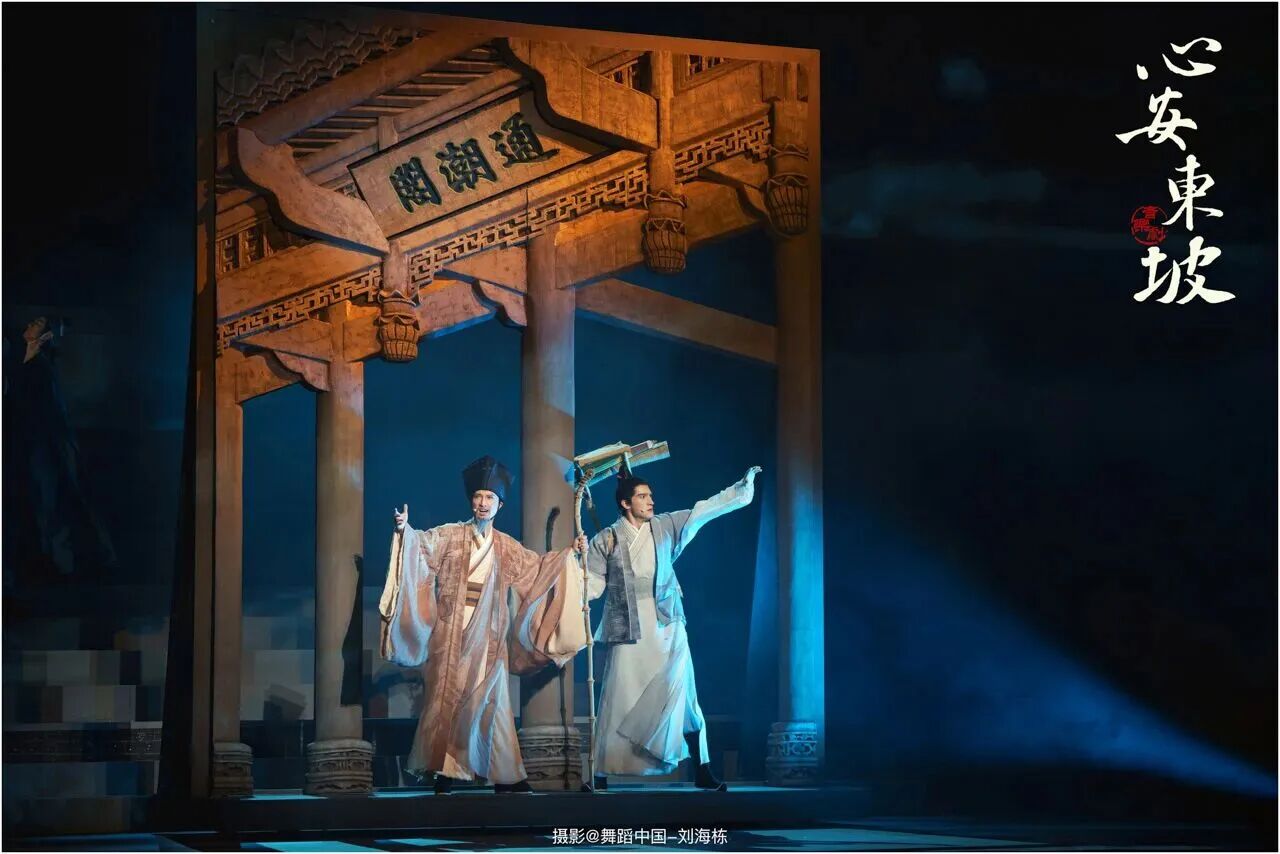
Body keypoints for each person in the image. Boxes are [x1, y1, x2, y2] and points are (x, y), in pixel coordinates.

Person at [379, 455, 588, 794]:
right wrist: (405, 531)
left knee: (494, 703)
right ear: (471, 500)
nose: (482, 502)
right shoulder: (450, 535)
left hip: (490, 636)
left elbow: (538, 570)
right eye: (478, 496)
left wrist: (569, 554)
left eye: (490, 497)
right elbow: (422, 546)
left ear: (500, 504)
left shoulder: (505, 546)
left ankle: (507, 776)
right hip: (452, 634)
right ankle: (445, 772)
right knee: (448, 700)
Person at [586, 465, 761, 791]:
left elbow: (702, 511)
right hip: (628, 625)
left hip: (666, 623)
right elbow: (592, 584)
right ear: (625, 503)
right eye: (642, 496)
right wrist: (575, 571)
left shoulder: (665, 526)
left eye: (650, 495)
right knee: (618, 694)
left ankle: (703, 769)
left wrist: (739, 489)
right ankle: (599, 774)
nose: (650, 501)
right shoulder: (607, 539)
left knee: (684, 694)